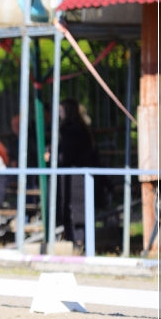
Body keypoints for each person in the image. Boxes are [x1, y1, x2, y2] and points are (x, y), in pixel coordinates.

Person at [54, 98, 98, 246]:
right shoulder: (82, 128)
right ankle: (77, 242)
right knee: (77, 209)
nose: (59, 114)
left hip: (74, 175)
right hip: (78, 173)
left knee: (74, 209)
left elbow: (67, 154)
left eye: (61, 111)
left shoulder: (71, 129)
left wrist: (54, 156)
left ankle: (77, 243)